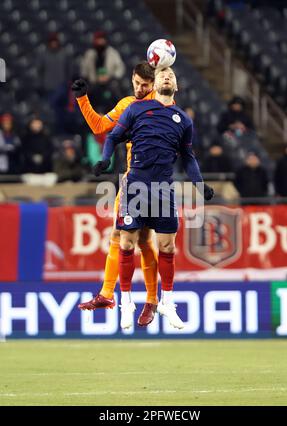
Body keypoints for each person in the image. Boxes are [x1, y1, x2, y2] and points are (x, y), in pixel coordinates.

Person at [93, 67, 214, 330]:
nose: (167, 77)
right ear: (154, 84)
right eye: (162, 75)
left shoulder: (183, 120)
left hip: (163, 188)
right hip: (135, 184)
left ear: (177, 86)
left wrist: (200, 185)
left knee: (167, 247)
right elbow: (112, 135)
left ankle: (166, 303)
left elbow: (188, 158)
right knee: (126, 244)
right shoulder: (136, 109)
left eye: (171, 74)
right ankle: (126, 303)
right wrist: (104, 159)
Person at [72, 62, 158, 326]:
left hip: (156, 181)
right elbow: (99, 127)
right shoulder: (127, 106)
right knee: (121, 236)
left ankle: (152, 300)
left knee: (148, 242)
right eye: (137, 83)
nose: (140, 89)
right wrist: (82, 99)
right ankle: (108, 293)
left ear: (154, 84)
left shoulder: (164, 102)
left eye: (146, 85)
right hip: (131, 181)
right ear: (131, 80)